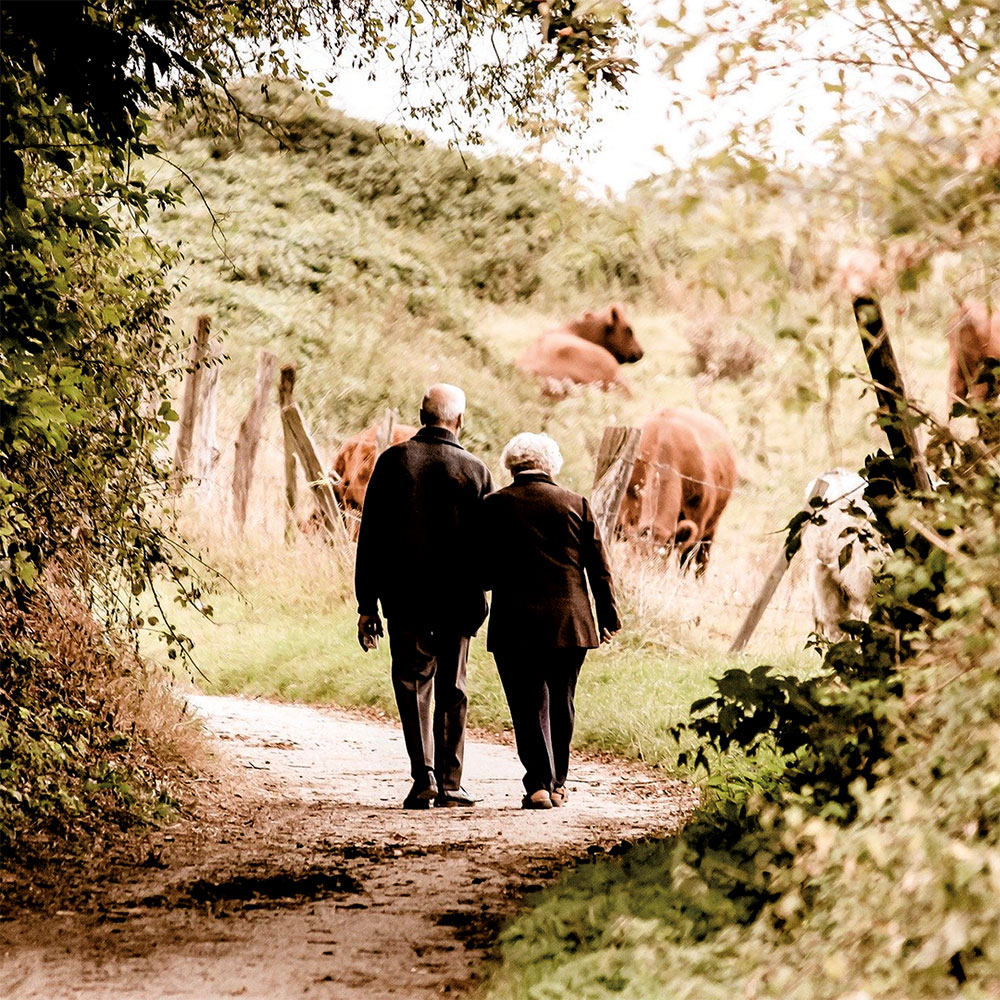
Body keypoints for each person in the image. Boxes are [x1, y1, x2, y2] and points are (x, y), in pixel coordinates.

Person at [355, 384, 494, 809]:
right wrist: (484, 588)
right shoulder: (475, 470)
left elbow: (371, 537)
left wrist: (367, 605)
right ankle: (452, 783)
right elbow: (488, 543)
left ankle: (424, 778)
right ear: (460, 421)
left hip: (405, 598)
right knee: (453, 686)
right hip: (459, 600)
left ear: (421, 415)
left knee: (413, 683)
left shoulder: (393, 462)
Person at [479, 432, 621, 809]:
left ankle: (538, 784)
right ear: (551, 465)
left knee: (526, 705)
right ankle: (558, 783)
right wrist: (608, 616)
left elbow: (483, 571)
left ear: (511, 465)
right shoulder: (576, 504)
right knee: (562, 701)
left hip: (515, 622)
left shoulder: (493, 506)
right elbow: (599, 569)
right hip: (570, 621)